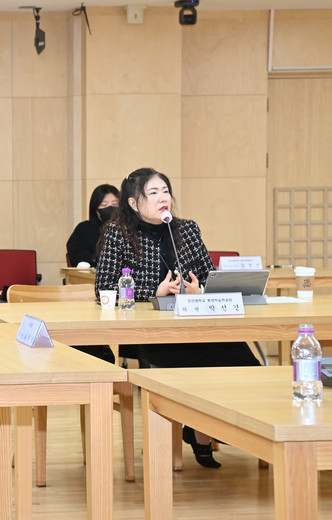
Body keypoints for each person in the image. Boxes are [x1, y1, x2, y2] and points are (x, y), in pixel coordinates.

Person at [95, 167, 260, 469]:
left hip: (197, 327)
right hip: (152, 334)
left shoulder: (187, 229)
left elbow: (209, 277)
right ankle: (202, 430)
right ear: (133, 203)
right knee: (204, 367)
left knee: (246, 366)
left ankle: (219, 428)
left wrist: (200, 290)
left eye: (166, 191)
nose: (163, 198)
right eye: (153, 193)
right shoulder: (118, 233)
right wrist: (152, 292)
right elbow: (103, 287)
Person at [66, 184, 119, 267]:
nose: (110, 208)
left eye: (115, 204)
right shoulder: (84, 229)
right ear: (96, 210)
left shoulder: (129, 229)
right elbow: (77, 256)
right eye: (104, 205)